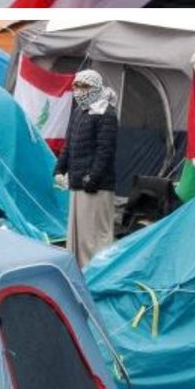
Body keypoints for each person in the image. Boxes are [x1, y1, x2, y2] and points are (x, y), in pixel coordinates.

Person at [54, 70, 118, 267]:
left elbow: (105, 151)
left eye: (84, 86)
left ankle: (96, 274)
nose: (79, 91)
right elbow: (69, 144)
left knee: (94, 237)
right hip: (77, 183)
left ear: (96, 88)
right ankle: (78, 271)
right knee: (79, 235)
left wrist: (92, 179)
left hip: (95, 186)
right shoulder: (79, 112)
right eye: (76, 86)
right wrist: (59, 170)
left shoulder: (106, 114)